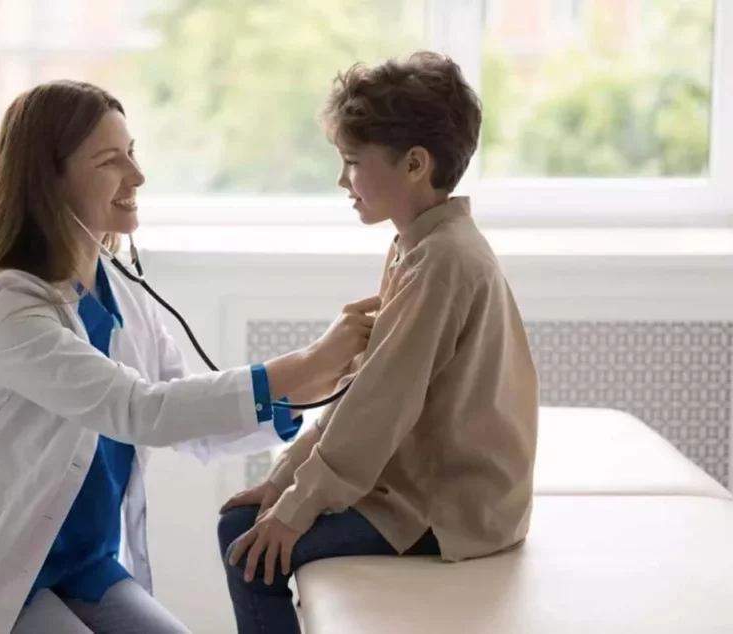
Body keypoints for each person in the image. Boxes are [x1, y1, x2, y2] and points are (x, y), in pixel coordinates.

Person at [0, 80, 378, 634]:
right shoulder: (8, 302)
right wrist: (312, 359)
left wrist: (322, 380)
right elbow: (140, 410)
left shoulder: (120, 289)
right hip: (0, 574)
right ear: (47, 181)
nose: (136, 176)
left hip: (84, 568)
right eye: (111, 161)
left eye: (132, 153)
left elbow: (188, 421)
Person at [217, 51, 540, 633]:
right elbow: (365, 388)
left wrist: (293, 509)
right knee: (244, 525)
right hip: (421, 483)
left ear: (415, 164)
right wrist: (284, 479)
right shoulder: (419, 245)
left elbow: (378, 408)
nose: (343, 180)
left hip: (449, 506)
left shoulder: (440, 261)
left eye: (351, 162)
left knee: (248, 552)